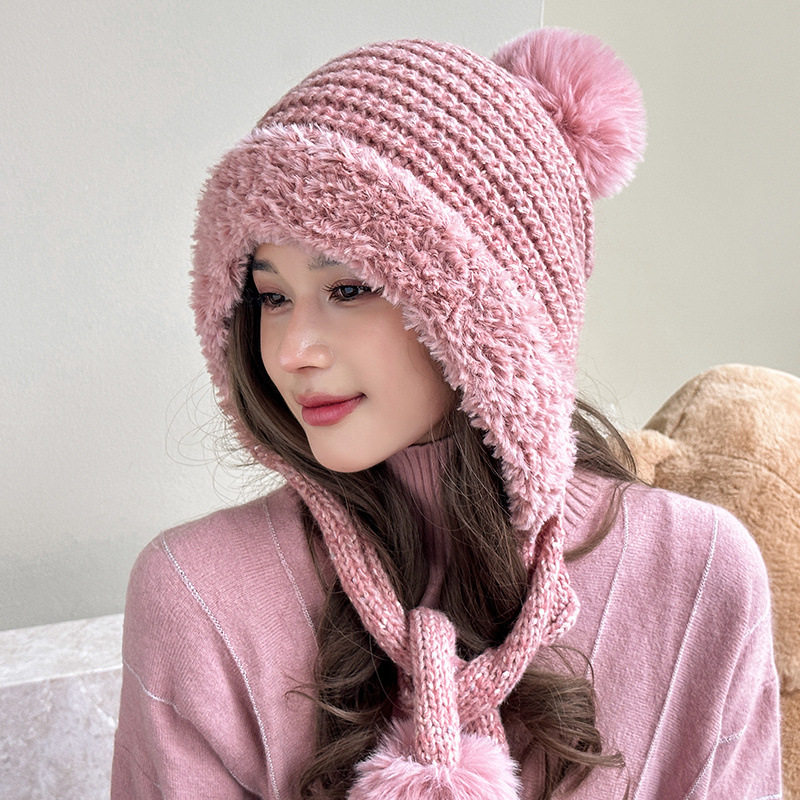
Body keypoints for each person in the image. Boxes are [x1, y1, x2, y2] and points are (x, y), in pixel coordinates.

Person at [111, 26, 782, 800]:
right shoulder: (198, 596)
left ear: (491, 317)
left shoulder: (696, 574)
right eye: (271, 295)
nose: (292, 349)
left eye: (349, 288)